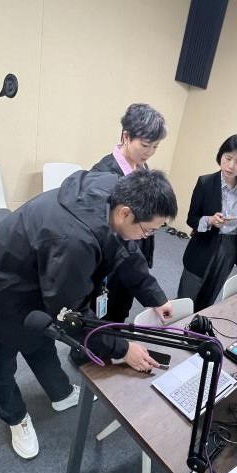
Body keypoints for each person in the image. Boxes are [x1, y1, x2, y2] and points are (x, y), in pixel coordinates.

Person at [0, 168, 177, 460]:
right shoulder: (74, 241)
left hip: (32, 281)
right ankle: (15, 417)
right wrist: (122, 349)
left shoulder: (115, 192)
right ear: (125, 213)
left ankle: (60, 393)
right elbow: (72, 317)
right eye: (149, 230)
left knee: (40, 340)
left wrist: (155, 297)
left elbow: (127, 249)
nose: (147, 236)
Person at [91, 102, 167, 322]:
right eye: (145, 145)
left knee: (122, 308)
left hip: (134, 252)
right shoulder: (102, 175)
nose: (149, 152)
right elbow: (102, 234)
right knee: (102, 313)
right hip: (113, 257)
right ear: (126, 136)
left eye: (155, 147)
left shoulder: (142, 169)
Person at [178, 134, 237, 312]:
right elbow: (192, 218)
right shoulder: (205, 182)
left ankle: (197, 325)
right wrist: (210, 220)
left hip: (230, 248)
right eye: (228, 158)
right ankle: (177, 324)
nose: (231, 166)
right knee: (188, 292)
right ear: (220, 156)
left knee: (211, 293)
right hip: (203, 243)